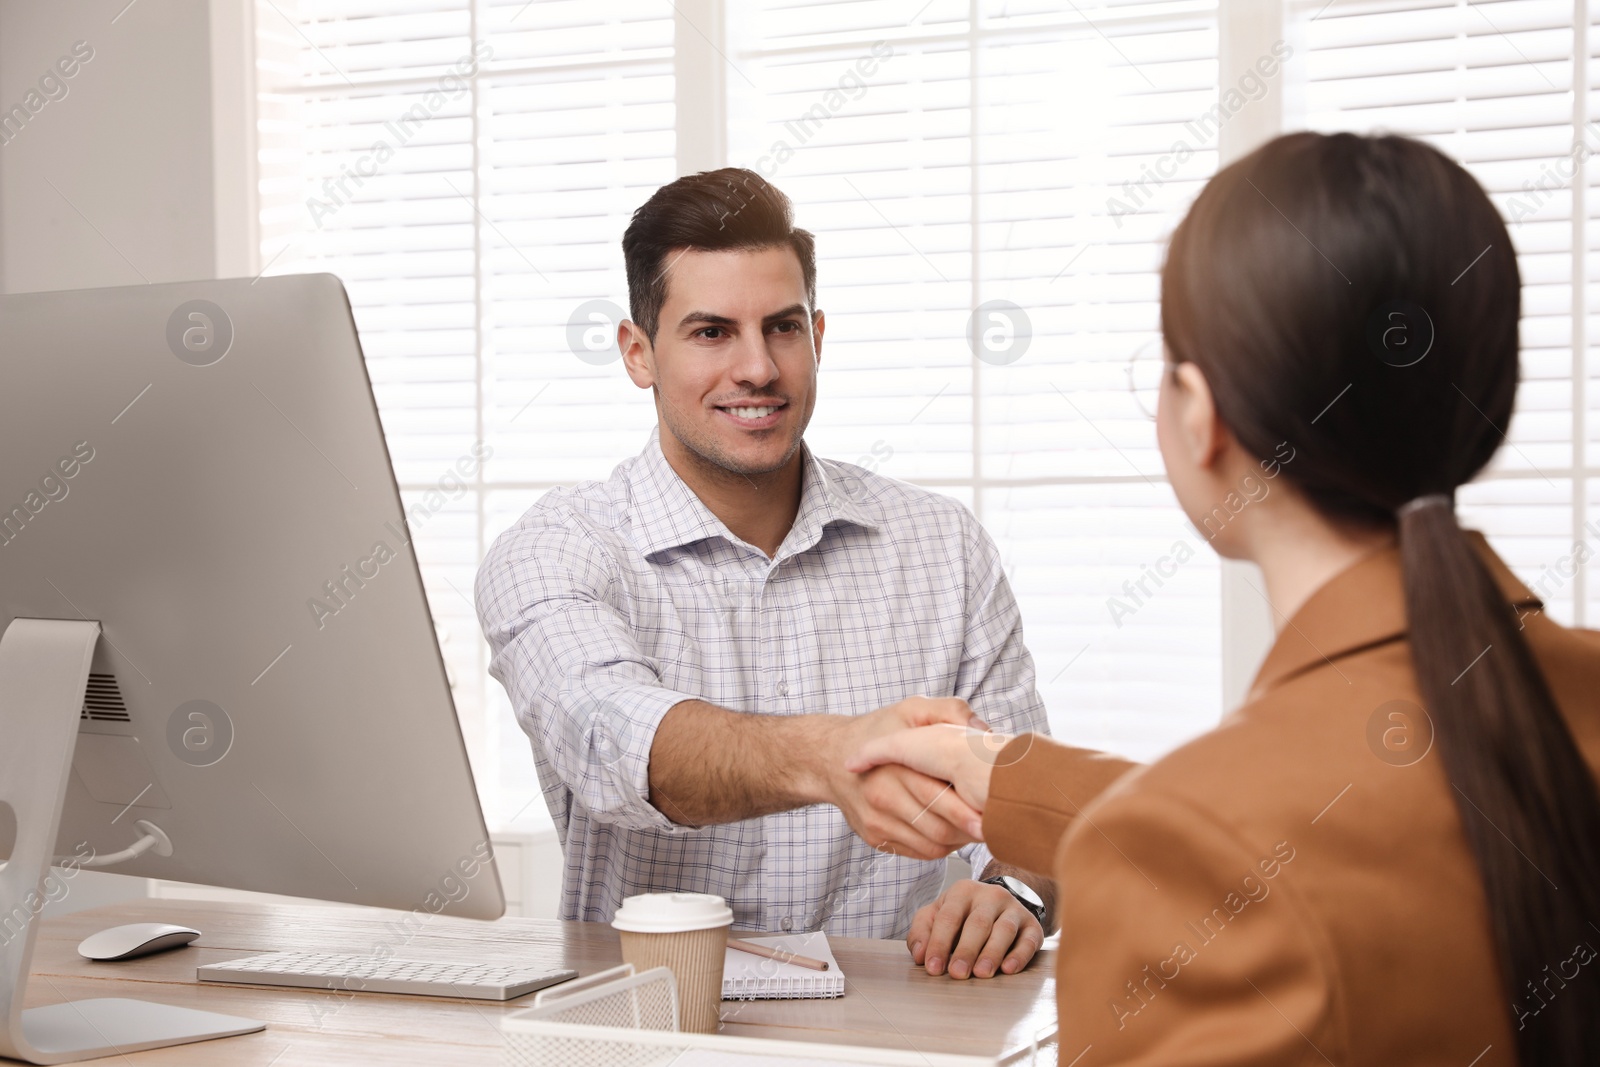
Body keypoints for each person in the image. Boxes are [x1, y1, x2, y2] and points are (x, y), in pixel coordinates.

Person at [849, 131, 1600, 1062]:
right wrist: (1011, 774)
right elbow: (1337, 821)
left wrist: (1149, 831)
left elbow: (1262, 846)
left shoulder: (1197, 860)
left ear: (1200, 415)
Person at [476, 167, 1054, 972]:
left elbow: (1036, 815)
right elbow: (617, 745)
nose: (758, 368)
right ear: (637, 353)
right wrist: (834, 754)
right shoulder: (554, 551)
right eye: (712, 332)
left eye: (782, 327)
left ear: (817, 333)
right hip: (653, 1038)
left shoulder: (944, 545)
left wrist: (1013, 893)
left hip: (898, 1042)